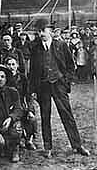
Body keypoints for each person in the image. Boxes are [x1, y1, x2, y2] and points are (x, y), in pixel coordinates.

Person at [26, 21, 90, 157]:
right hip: (43, 87)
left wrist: (65, 81)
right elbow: (32, 71)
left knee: (67, 115)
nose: (41, 34)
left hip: (59, 85)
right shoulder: (35, 48)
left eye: (43, 30)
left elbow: (71, 66)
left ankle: (77, 145)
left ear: (50, 31)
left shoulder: (61, 45)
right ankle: (48, 147)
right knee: (45, 116)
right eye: (38, 31)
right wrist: (33, 90)